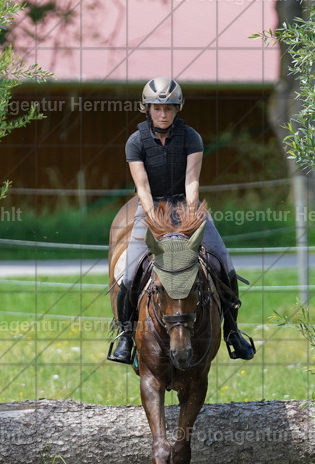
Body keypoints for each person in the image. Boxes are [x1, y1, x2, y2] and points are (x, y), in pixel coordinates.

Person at [107, 76, 256, 364]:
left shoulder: (192, 138)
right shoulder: (135, 142)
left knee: (225, 264)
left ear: (178, 109)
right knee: (128, 274)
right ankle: (126, 338)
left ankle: (233, 332)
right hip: (149, 208)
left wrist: (190, 218)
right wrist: (154, 221)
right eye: (157, 108)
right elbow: (143, 188)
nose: (163, 114)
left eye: (169, 108)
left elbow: (192, 182)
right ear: (147, 108)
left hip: (186, 206)